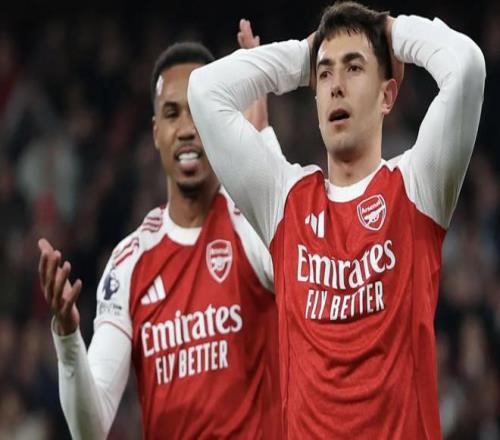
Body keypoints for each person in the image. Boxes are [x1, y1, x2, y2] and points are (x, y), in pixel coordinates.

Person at [188, 2, 486, 438]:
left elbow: (466, 66)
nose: (336, 87)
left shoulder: (417, 186)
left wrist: (388, 30)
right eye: (325, 74)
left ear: (387, 96)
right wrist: (302, 56)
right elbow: (203, 90)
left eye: (354, 68)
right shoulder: (285, 203)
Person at [38, 21, 282, 439]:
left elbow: (293, 267)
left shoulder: (250, 225)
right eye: (172, 113)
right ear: (156, 133)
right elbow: (88, 430)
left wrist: (259, 141)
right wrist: (67, 338)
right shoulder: (128, 263)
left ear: (221, 120)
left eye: (199, 111)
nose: (186, 128)